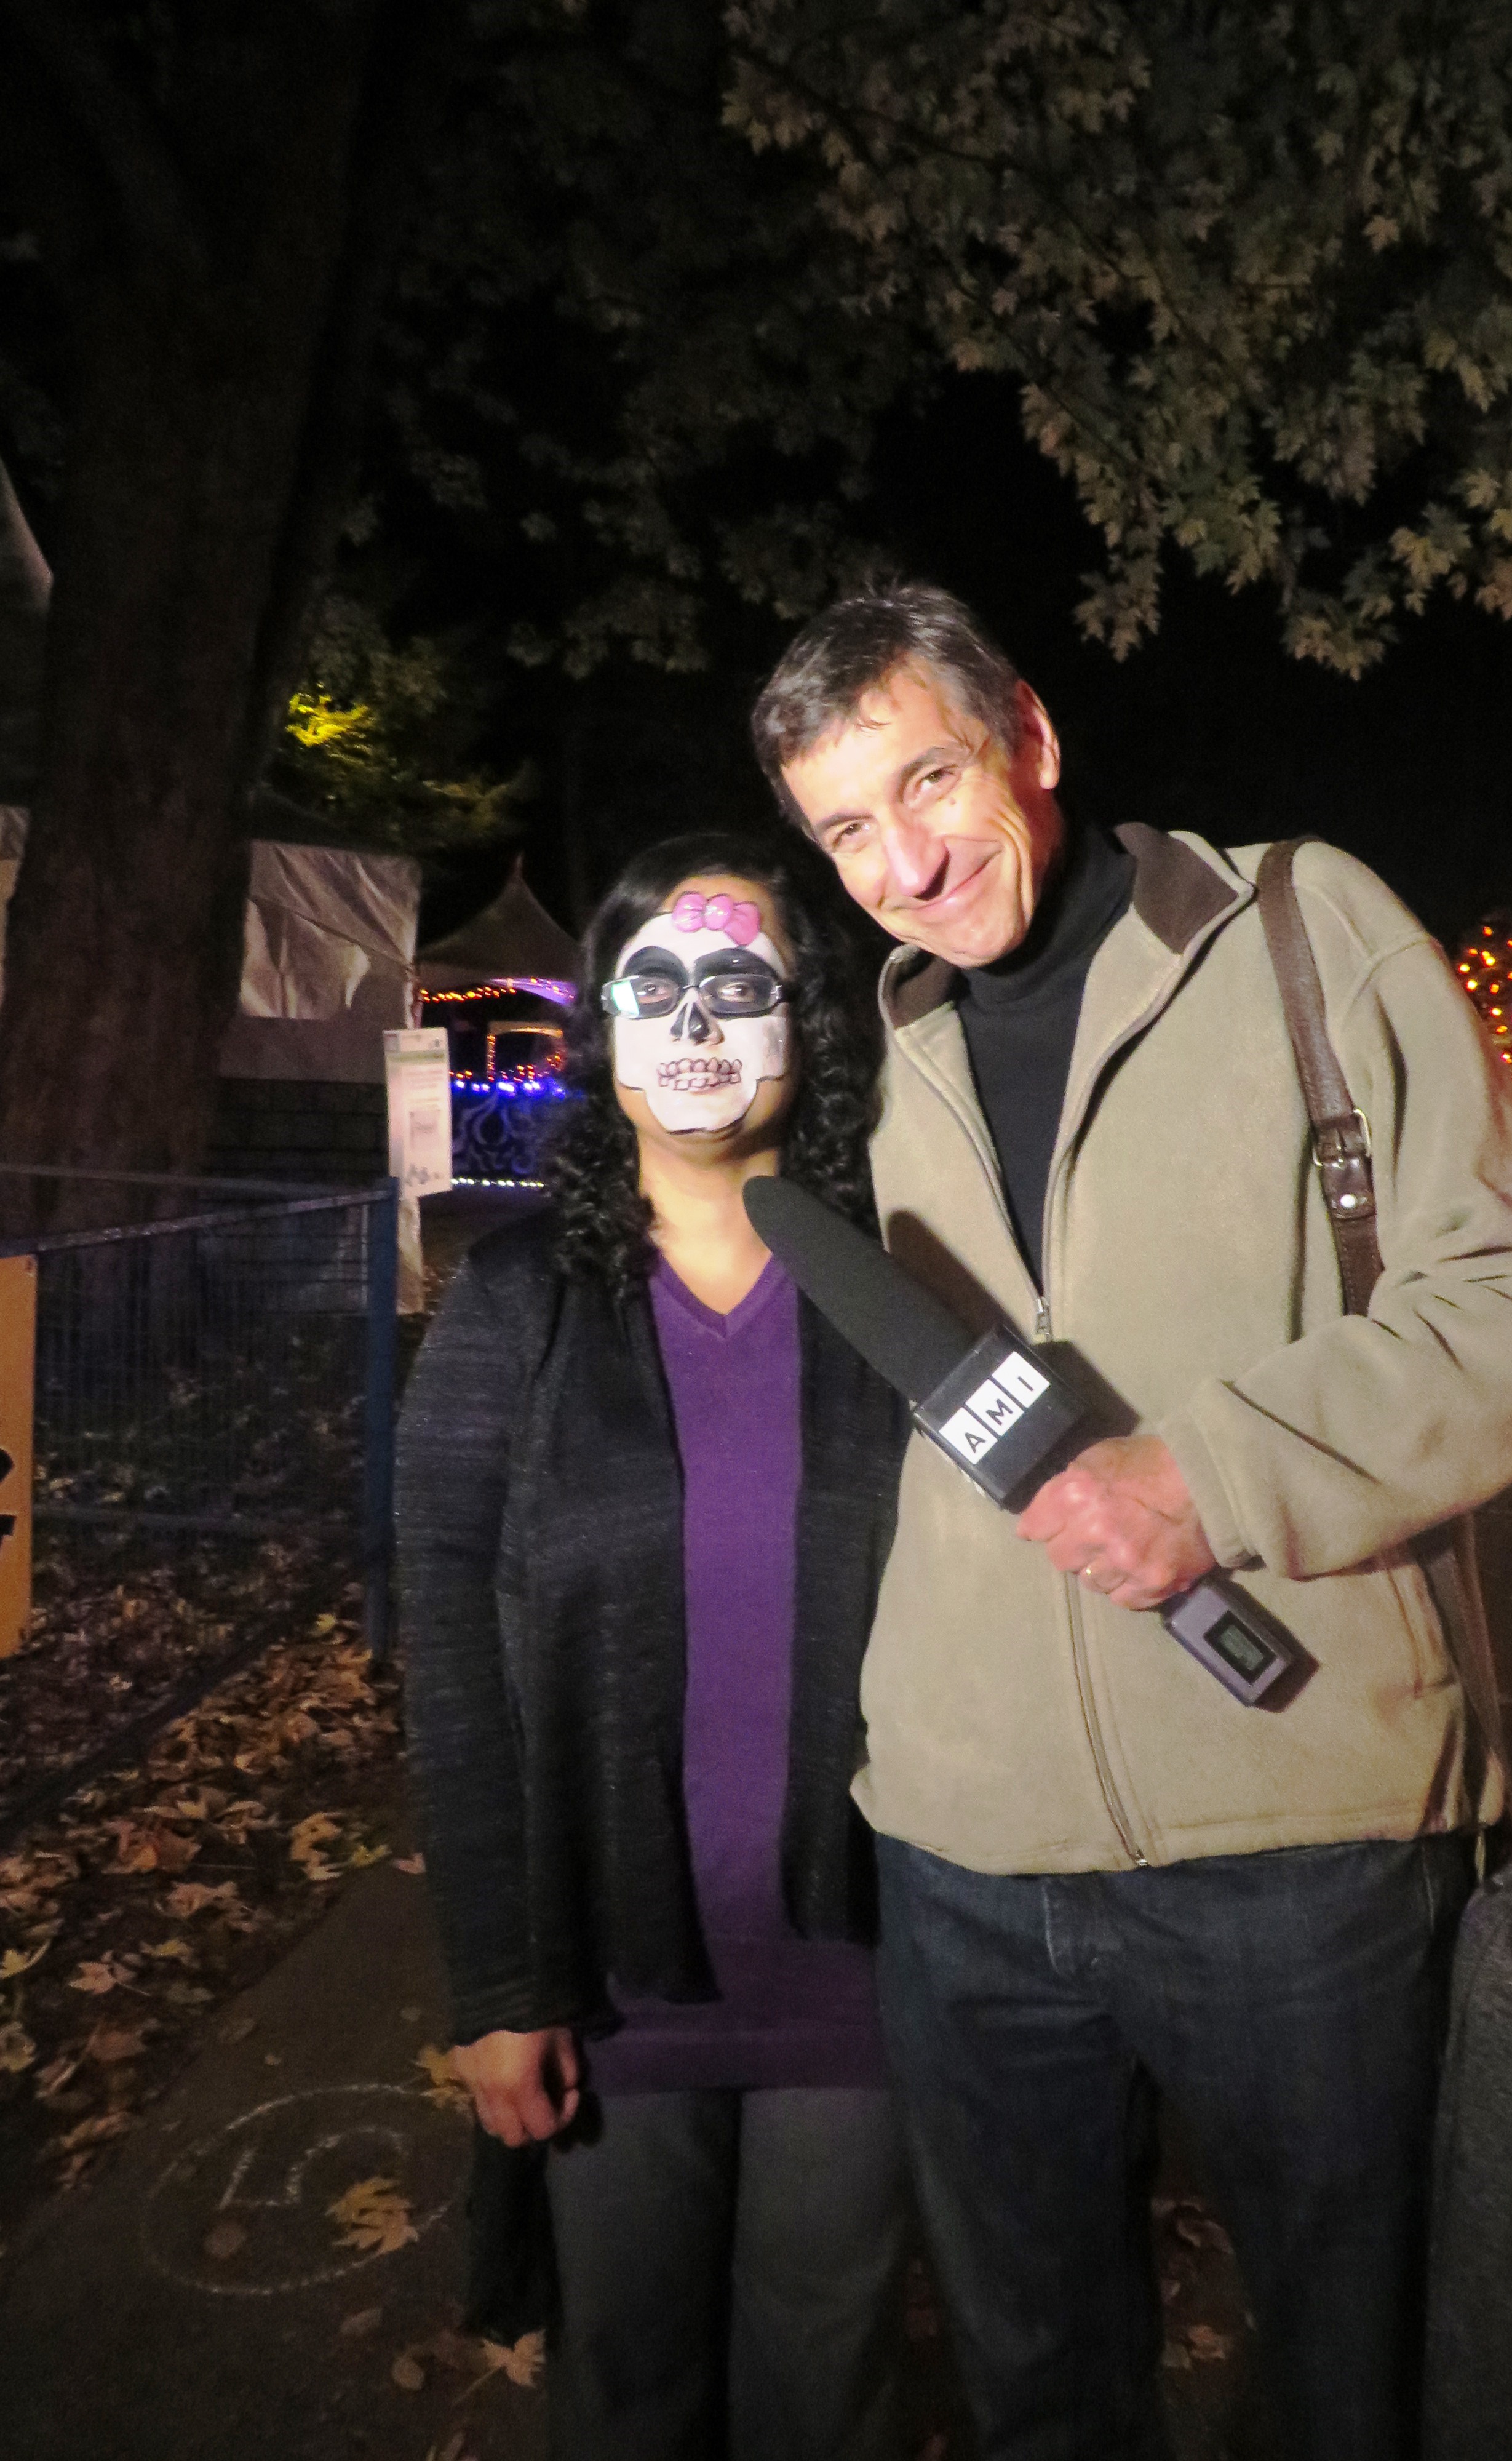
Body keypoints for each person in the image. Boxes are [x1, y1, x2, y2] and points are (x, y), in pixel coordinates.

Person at [750, 584, 1512, 2461]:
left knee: (1349, 2373)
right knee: (1038, 2387)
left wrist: (1212, 1478)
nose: (902, 861)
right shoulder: (872, 1060)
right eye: (845, 830)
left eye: (928, 780)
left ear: (1032, 740)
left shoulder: (1302, 927)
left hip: (1300, 1839)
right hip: (967, 1860)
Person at [397, 829, 914, 2461]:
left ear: (806, 1026)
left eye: (741, 983)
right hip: (615, 1986)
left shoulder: (902, 1298)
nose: (695, 1020)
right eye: (654, 985)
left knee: (823, 2390)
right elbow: (452, 1660)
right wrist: (501, 1981)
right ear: (607, 1031)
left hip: (866, 1974)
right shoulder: (514, 1305)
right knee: (628, 2396)